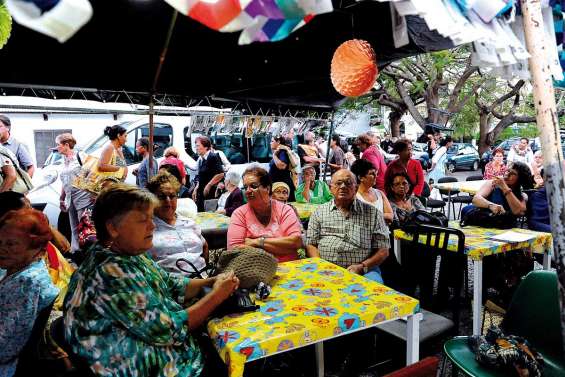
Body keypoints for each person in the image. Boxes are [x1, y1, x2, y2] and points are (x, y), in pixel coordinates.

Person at [63, 184, 239, 376]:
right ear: (113, 228)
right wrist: (216, 296)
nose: (153, 225)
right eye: (142, 220)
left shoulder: (131, 254)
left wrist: (211, 282)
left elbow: (171, 283)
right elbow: (169, 329)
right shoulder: (111, 272)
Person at [0, 209, 59, 377]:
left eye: (11, 244)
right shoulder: (18, 268)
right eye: (0, 242)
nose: (2, 249)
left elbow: (6, 346)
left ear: (36, 248)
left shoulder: (26, 282)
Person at [305, 169, 390, 283]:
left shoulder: (373, 214)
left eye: (348, 183)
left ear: (356, 188)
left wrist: (362, 266)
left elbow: (383, 250)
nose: (343, 186)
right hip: (324, 267)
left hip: (364, 270)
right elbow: (311, 244)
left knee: (373, 287)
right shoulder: (319, 212)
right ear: (330, 189)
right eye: (338, 183)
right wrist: (321, 266)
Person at [227, 166, 302, 262]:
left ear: (267, 188)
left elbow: (296, 242)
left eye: (253, 186)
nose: (248, 191)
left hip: (289, 267)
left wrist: (257, 241)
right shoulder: (239, 214)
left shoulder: (284, 210)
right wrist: (282, 247)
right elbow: (234, 249)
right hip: (254, 269)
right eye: (245, 187)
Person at [146, 172, 209, 276]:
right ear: (152, 199)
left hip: (204, 280)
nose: (168, 201)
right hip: (173, 286)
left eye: (172, 196)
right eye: (161, 196)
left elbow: (205, 246)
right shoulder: (147, 227)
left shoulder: (189, 223)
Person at [56, 133, 93, 252]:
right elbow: (65, 181)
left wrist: (93, 193)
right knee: (74, 227)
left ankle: (86, 251)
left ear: (66, 145)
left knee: (84, 226)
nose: (57, 147)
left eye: (58, 145)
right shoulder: (64, 160)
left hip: (82, 196)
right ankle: (76, 252)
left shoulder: (80, 155)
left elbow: (92, 174)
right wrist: (62, 198)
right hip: (70, 197)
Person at [351, 159, 393, 224]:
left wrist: (370, 217)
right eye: (372, 174)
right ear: (360, 178)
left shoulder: (380, 193)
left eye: (376, 173)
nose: (376, 176)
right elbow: (359, 219)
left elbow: (390, 217)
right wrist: (382, 216)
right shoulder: (354, 196)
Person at [192, 136, 224, 212]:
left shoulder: (213, 157)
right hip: (202, 193)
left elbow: (220, 174)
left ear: (206, 147)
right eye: (195, 146)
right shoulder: (202, 159)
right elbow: (202, 176)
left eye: (198, 146)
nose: (196, 148)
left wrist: (209, 185)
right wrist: (196, 188)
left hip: (210, 194)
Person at [269, 136, 295, 202]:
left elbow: (282, 166)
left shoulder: (282, 152)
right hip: (279, 185)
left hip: (283, 186)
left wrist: (274, 156)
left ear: (278, 142)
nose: (270, 143)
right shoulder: (278, 152)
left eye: (272, 141)